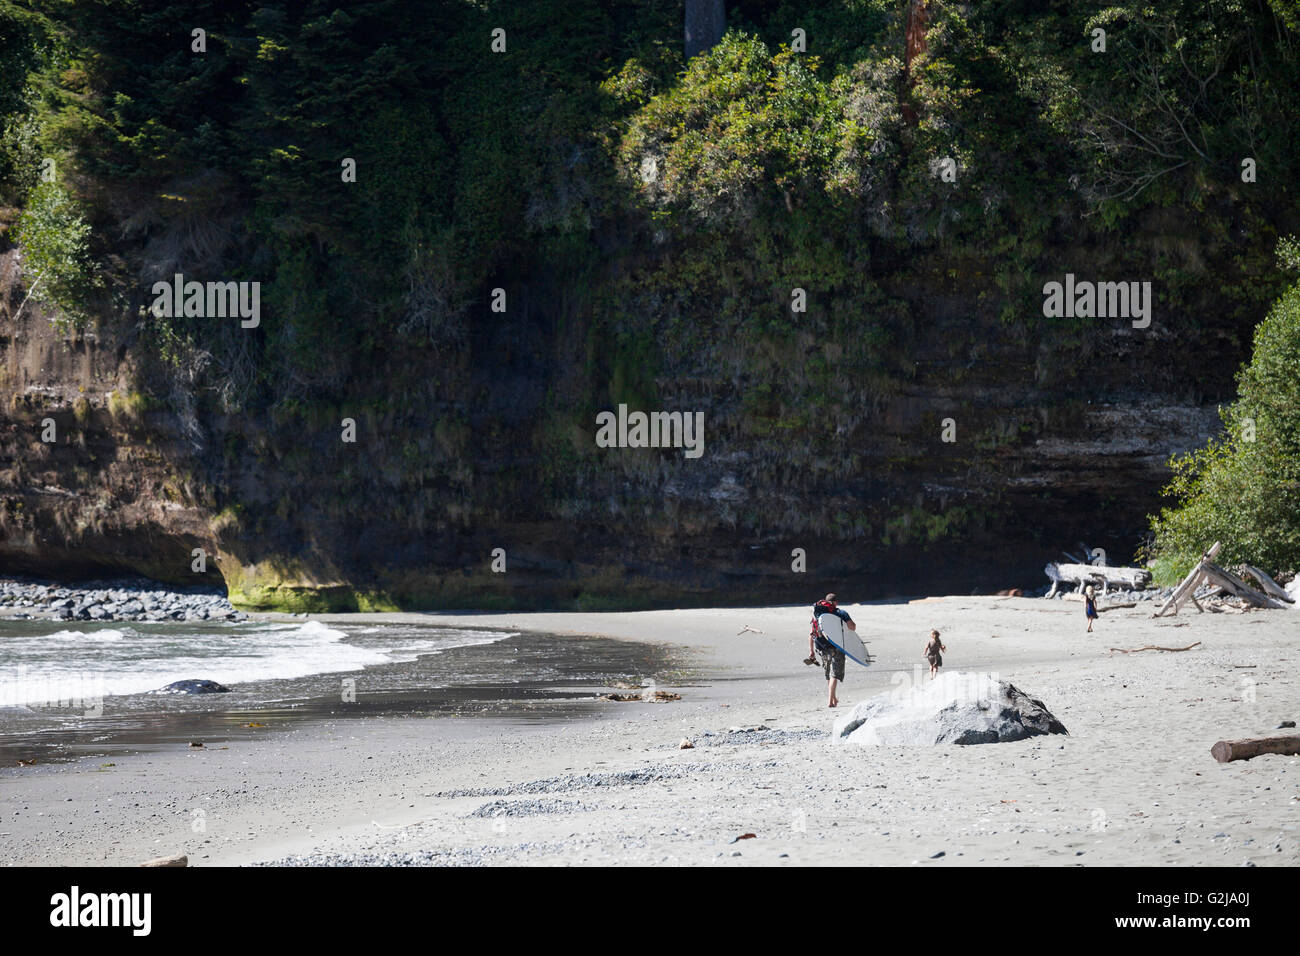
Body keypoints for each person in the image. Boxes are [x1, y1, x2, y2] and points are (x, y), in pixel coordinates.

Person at [805, 592, 855, 708]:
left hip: (820, 646)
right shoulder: (840, 613)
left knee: (828, 673)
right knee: (834, 674)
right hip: (836, 645)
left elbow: (811, 633)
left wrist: (811, 651)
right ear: (836, 602)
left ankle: (834, 698)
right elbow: (852, 627)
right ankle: (830, 701)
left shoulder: (817, 614)